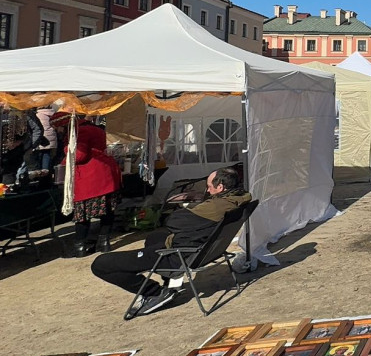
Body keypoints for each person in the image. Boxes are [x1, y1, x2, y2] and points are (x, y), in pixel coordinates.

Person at [90, 166, 251, 317]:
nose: (207, 190)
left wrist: (187, 207)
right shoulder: (238, 200)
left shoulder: (214, 208)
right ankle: (171, 283)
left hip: (180, 255)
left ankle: (154, 292)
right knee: (155, 237)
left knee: (101, 264)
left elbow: (173, 221)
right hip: (204, 249)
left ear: (221, 187)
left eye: (209, 186)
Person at [53, 115, 123, 257]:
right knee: (107, 211)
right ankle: (104, 243)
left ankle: (80, 247)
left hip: (90, 177)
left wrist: (64, 160)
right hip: (105, 173)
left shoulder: (80, 132)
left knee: (82, 214)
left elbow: (79, 155)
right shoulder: (95, 128)